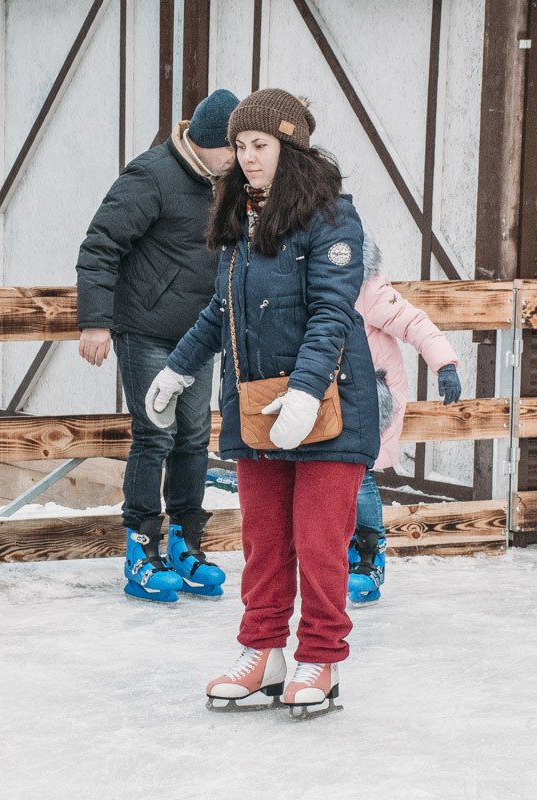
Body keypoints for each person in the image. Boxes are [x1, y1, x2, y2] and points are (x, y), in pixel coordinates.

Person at [144, 89, 379, 716]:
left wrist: (305, 390)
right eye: (241, 147)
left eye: (261, 146)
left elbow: (332, 313)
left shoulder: (332, 218)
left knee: (319, 542)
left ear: (290, 148)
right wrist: (178, 370)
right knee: (264, 543)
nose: (248, 158)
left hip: (329, 406)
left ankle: (321, 658)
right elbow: (222, 311)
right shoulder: (240, 220)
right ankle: (263, 653)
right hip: (256, 408)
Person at [76, 89, 240, 602]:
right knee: (155, 435)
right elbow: (100, 246)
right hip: (146, 330)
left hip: (198, 335)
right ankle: (141, 550)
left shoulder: (229, 183)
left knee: (194, 438)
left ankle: (186, 544)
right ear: (204, 142)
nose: (239, 158)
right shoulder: (153, 175)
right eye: (230, 148)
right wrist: (95, 322)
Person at [347, 238, 462, 606]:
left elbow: (414, 323)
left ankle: (368, 555)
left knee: (359, 473)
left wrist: (444, 365)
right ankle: (338, 551)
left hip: (368, 393)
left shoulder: (367, 288)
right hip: (323, 393)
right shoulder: (309, 279)